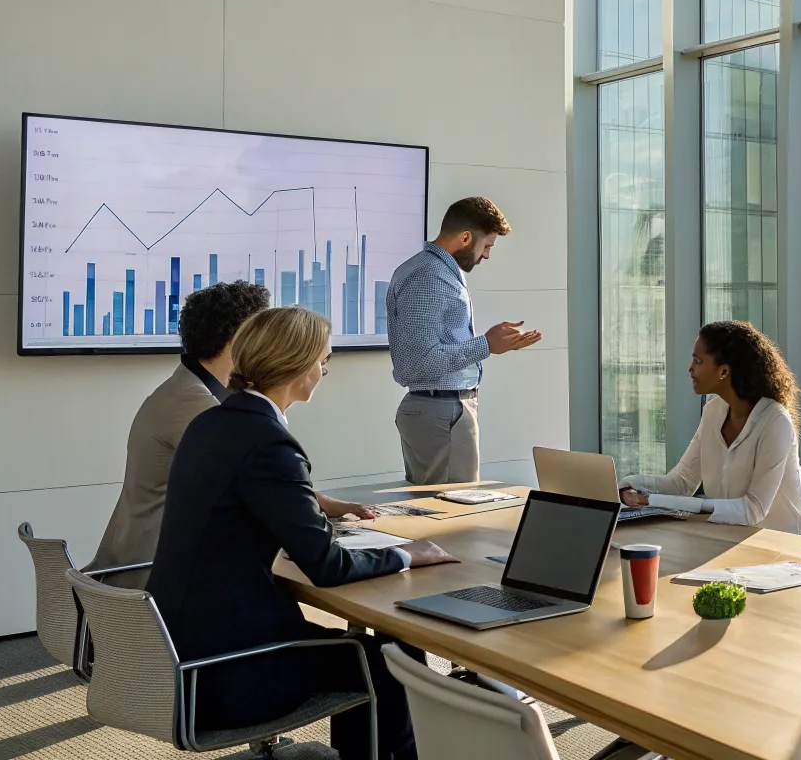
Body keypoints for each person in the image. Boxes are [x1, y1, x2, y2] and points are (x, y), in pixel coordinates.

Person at [150, 306, 458, 760]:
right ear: (294, 366)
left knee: (368, 650)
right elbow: (326, 566)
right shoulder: (268, 441)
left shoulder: (211, 423)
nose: (325, 369)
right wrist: (408, 554)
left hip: (177, 647)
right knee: (386, 659)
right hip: (226, 672)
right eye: (322, 360)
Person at [88, 281, 374, 587]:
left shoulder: (186, 391)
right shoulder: (199, 407)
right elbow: (266, 483)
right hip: (152, 570)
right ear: (242, 338)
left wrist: (322, 505)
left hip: (145, 563)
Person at [386, 196, 541, 484]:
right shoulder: (429, 276)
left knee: (440, 515)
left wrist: (492, 343)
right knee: (454, 518)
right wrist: (487, 345)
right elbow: (420, 362)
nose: (487, 256)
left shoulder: (431, 270)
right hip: (443, 413)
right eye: (487, 246)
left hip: (440, 412)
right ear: (466, 237)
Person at [620, 320, 801, 536]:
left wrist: (666, 502)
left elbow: (754, 510)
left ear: (724, 371)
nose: (690, 368)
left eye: (698, 361)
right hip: (732, 539)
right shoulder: (712, 412)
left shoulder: (776, 421)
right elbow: (681, 483)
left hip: (789, 547)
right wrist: (629, 486)